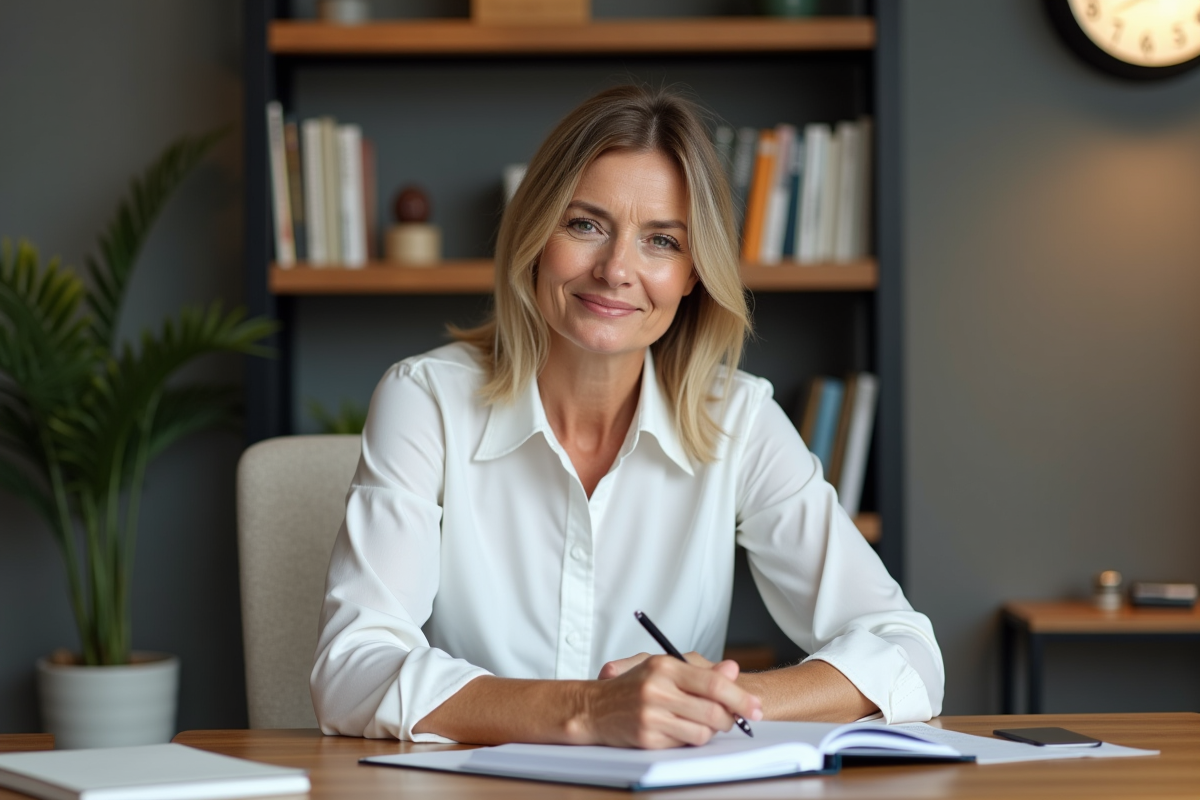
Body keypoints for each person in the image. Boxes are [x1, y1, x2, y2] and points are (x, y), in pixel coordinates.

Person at [311, 85, 943, 748]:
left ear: (696, 271)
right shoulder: (427, 401)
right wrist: (589, 710)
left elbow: (908, 652)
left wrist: (713, 702)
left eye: (662, 241)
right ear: (534, 235)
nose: (616, 269)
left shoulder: (738, 418)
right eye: (585, 225)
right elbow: (353, 671)